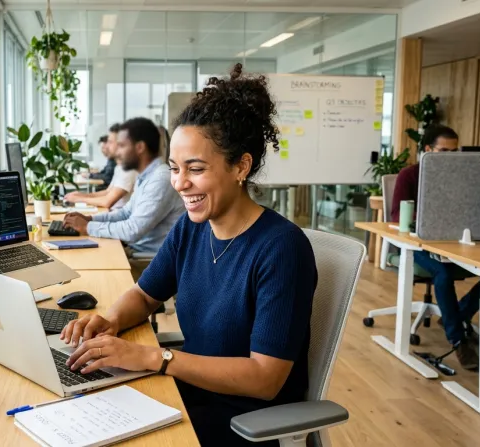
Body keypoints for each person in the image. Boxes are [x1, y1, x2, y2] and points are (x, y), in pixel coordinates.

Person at [60, 64, 317, 446]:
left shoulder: (282, 249)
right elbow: (146, 295)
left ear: (240, 166)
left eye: (195, 169)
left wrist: (155, 358)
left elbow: (265, 379)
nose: (180, 183)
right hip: (187, 391)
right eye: (175, 168)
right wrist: (109, 321)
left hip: (242, 420)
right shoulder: (193, 227)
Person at [390, 125, 480, 370]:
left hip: (454, 245)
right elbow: (395, 218)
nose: (449, 157)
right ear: (428, 150)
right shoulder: (409, 175)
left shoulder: (462, 180)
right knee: (442, 276)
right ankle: (457, 339)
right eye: (443, 151)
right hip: (416, 246)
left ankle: (457, 315)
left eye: (454, 152)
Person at [63, 118, 184, 254]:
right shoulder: (146, 176)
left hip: (146, 260)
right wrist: (90, 219)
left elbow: (133, 230)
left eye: (122, 146)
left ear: (139, 147)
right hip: (134, 250)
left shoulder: (160, 179)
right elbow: (126, 213)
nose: (117, 152)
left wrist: (87, 227)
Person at [65, 124, 137, 209]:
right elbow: (107, 192)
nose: (106, 146)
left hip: (117, 216)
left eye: (110, 142)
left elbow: (107, 202)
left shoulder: (128, 169)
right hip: (112, 213)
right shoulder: (120, 167)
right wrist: (82, 195)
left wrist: (79, 199)